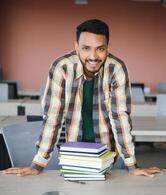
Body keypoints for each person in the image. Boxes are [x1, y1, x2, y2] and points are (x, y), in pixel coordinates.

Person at [4, 19, 161, 177]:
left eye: (100, 49)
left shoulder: (116, 69)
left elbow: (120, 117)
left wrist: (132, 165)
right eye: (86, 48)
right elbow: (53, 118)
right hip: (74, 155)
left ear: (108, 48)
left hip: (109, 157)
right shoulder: (62, 68)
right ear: (76, 47)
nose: (93, 56)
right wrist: (37, 164)